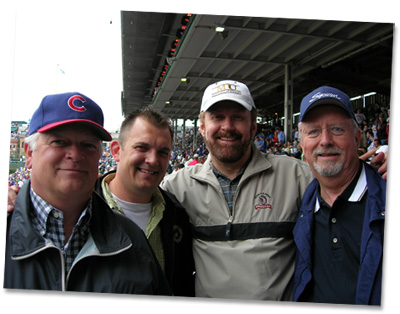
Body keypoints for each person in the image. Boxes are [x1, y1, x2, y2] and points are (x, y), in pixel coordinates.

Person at [4, 92, 172, 295]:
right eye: (59, 142)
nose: (75, 154)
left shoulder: (132, 239)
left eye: (88, 145)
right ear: (29, 154)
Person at [161, 80, 314, 300]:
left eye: (238, 117)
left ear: (253, 126)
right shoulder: (177, 187)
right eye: (217, 117)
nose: (227, 126)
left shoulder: (297, 176)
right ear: (202, 128)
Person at [293, 86, 386, 305]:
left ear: (356, 137)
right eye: (313, 131)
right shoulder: (303, 202)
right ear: (301, 144)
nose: (325, 140)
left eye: (336, 129)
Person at [93, 108, 195, 296]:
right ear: (116, 151)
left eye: (163, 152)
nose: (153, 160)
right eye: (142, 148)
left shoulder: (177, 216)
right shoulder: (83, 209)